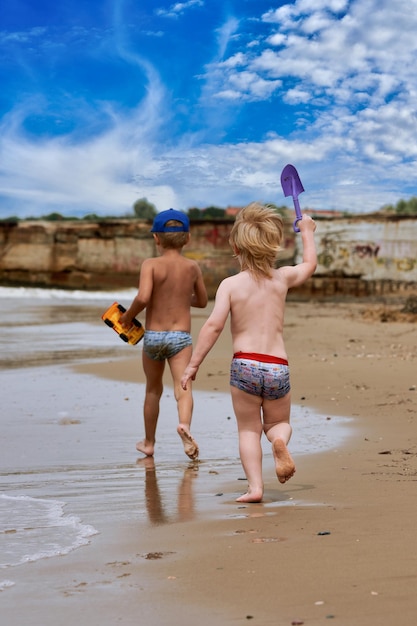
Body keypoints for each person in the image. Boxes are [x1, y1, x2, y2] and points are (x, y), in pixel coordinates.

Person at [181, 202, 317, 502]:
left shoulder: (230, 285)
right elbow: (309, 265)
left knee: (247, 431)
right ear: (274, 247)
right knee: (278, 423)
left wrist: (193, 365)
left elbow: (214, 326)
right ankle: (279, 441)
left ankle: (255, 488)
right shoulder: (281, 279)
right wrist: (307, 231)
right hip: (277, 365)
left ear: (235, 247)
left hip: (244, 365)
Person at [120, 208, 208, 460]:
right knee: (184, 387)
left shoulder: (150, 265)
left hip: (154, 337)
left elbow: (143, 297)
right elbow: (202, 301)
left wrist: (127, 317)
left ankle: (148, 443)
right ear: (187, 238)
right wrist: (180, 297)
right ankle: (184, 425)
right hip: (180, 338)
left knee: (152, 390)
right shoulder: (192, 267)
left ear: (156, 238)